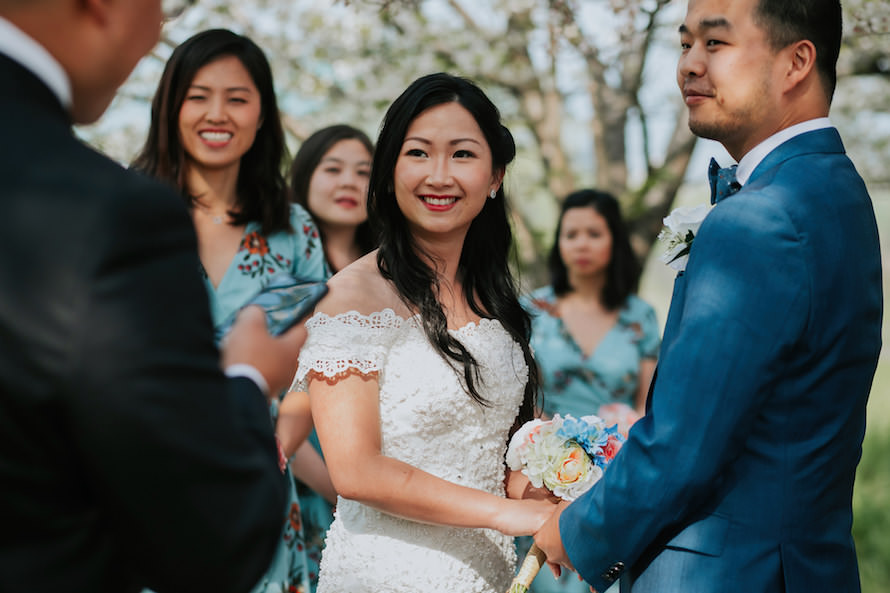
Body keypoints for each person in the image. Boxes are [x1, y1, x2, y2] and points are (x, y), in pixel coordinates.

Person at [534, 1, 884, 592]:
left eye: (715, 45)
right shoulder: (837, 191)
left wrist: (577, 529)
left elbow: (684, 446)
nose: (688, 66)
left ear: (797, 61)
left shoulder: (759, 217)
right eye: (684, 43)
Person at [0, 2, 308, 593]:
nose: (154, 30)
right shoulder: (108, 211)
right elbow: (210, 535)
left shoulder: (293, 231)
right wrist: (247, 376)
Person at [292, 72, 557, 593]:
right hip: (383, 574)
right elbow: (356, 471)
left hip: (487, 574)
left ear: (496, 175)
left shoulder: (496, 301)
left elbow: (499, 454)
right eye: (418, 153)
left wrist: (560, 500)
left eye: (462, 154)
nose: (439, 175)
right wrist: (512, 517)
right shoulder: (352, 297)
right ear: (390, 170)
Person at [131, 28, 329, 593]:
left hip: (257, 476)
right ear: (170, 105)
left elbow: (317, 363)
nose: (217, 113)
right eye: (198, 95)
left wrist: (278, 443)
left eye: (237, 98)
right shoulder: (123, 212)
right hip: (141, 475)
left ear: (262, 113)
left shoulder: (295, 232)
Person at [518, 188, 660, 593]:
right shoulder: (530, 310)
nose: (581, 244)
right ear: (558, 242)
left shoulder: (640, 317)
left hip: (614, 475)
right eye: (571, 233)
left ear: (614, 240)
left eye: (594, 233)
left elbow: (645, 408)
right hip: (540, 472)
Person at [282, 123, 375, 590]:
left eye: (364, 172)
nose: (348, 183)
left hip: (385, 485)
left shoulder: (392, 276)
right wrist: (340, 491)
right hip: (299, 482)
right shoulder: (282, 275)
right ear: (304, 176)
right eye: (333, 168)